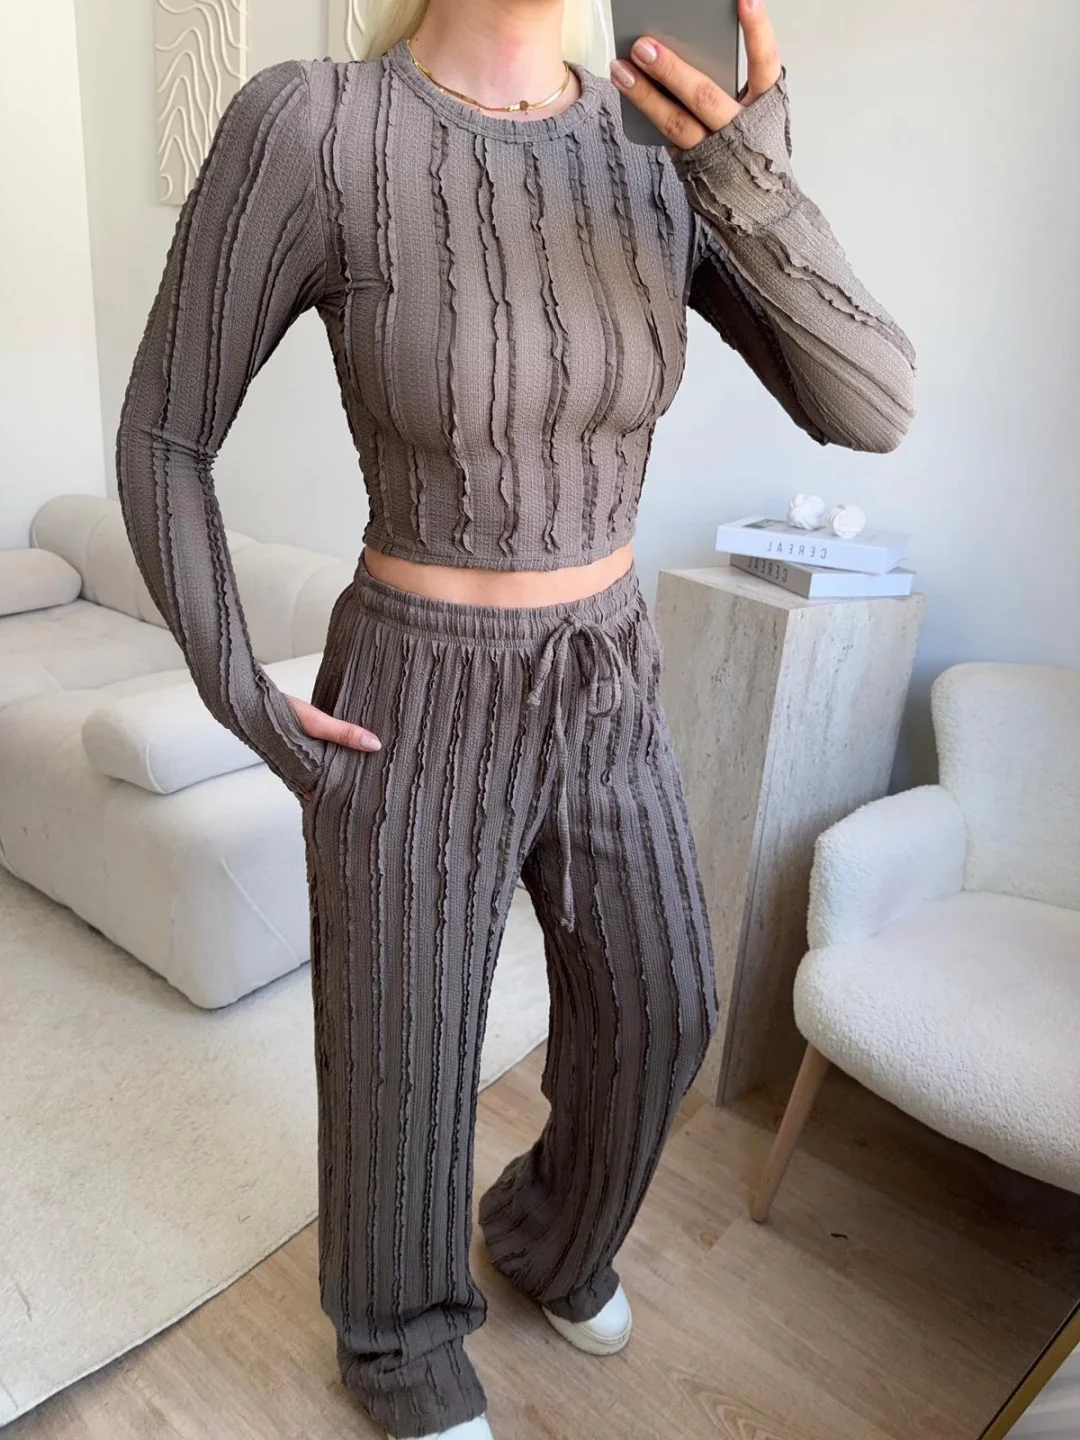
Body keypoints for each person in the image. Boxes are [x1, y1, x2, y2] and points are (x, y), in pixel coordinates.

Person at [114, 0, 916, 1433]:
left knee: (662, 1011)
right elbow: (166, 433)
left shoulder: (660, 145)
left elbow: (872, 407)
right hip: (417, 683)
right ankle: (399, 1345)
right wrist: (238, 685)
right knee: (404, 1057)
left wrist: (745, 173)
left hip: (610, 667)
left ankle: (546, 1235)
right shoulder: (314, 125)